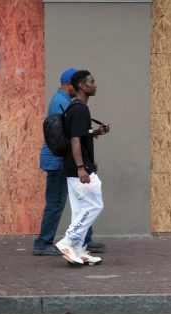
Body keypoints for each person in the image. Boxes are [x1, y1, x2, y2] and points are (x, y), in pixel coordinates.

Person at [33, 68, 105, 256]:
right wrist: (81, 165)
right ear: (69, 85)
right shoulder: (61, 102)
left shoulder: (69, 102)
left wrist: (95, 133)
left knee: (82, 202)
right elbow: (68, 137)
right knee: (57, 203)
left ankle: (84, 239)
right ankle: (43, 243)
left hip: (68, 159)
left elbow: (77, 133)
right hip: (58, 161)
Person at [55, 70, 109, 266]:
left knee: (79, 211)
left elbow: (82, 135)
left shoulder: (76, 108)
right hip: (80, 168)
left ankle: (77, 249)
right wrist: (81, 168)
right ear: (82, 86)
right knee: (95, 205)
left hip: (76, 167)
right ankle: (68, 241)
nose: (95, 85)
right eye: (92, 82)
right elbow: (75, 140)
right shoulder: (80, 110)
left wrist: (96, 132)